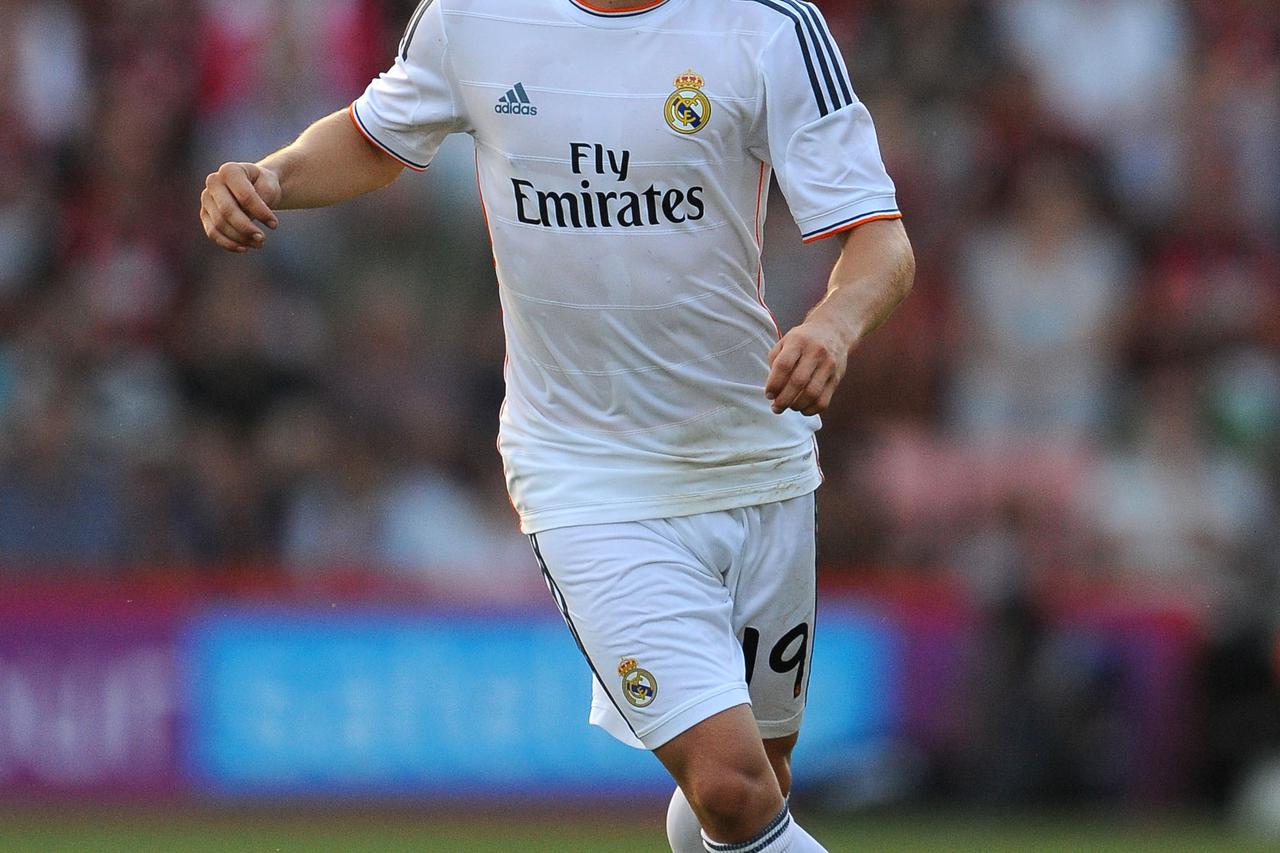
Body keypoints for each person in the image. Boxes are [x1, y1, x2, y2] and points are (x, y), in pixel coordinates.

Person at [200, 1, 914, 849]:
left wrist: (832, 326)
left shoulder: (770, 28)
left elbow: (881, 240)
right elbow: (372, 136)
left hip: (755, 456)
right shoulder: (472, 16)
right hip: (585, 471)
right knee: (730, 784)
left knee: (756, 781)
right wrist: (272, 176)